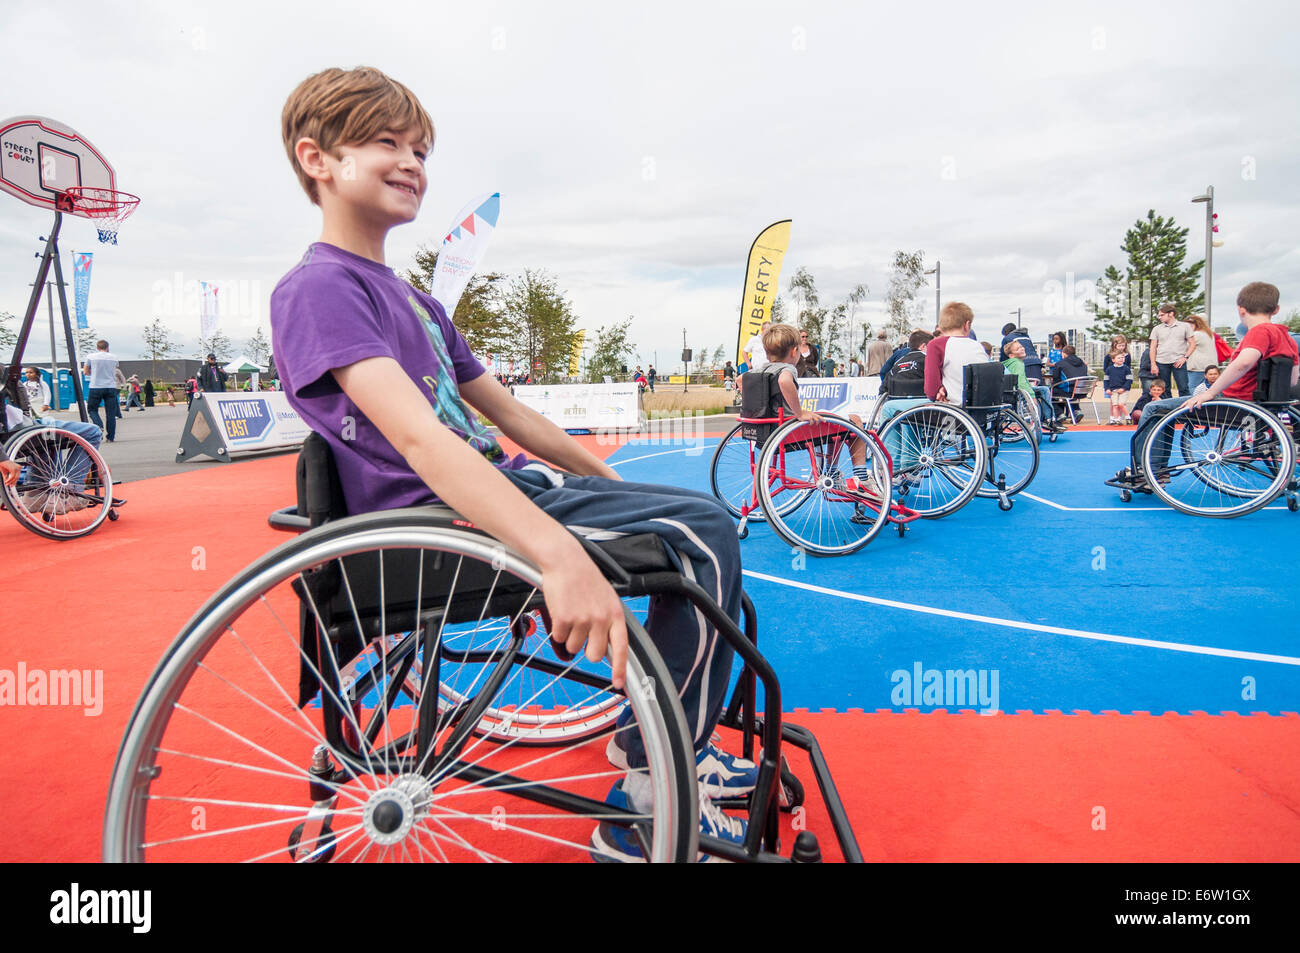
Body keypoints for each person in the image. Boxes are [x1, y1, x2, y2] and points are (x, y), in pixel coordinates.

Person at [271, 64, 751, 860]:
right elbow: (423, 441)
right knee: (701, 539)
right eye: (386, 143)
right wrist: (556, 552)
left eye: (421, 148)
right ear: (317, 159)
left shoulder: (417, 300)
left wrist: (611, 486)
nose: (412, 162)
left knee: (686, 518)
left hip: (495, 489)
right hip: (433, 521)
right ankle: (650, 784)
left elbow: (515, 415)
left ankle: (666, 745)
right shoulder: (317, 288)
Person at [1119, 282, 1299, 488]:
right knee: (1164, 408)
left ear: (1241, 309)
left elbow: (1244, 362)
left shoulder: (1260, 332)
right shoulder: (1288, 338)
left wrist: (1210, 393)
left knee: (1153, 408)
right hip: (1260, 407)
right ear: (1276, 309)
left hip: (1232, 406)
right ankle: (1154, 470)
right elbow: (1292, 380)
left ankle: (1146, 470)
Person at [929, 303, 992, 404]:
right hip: (983, 407)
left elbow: (931, 390)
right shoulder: (978, 346)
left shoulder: (936, 345)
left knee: (899, 413)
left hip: (955, 409)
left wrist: (938, 392)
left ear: (941, 327)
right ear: (967, 325)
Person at [1003, 340, 1060, 431]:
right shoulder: (1017, 363)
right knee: (1044, 390)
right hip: (1018, 391)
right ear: (1011, 355)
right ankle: (1050, 419)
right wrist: (1032, 397)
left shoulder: (1013, 363)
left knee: (1043, 389)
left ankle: (1048, 418)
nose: (1021, 349)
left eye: (1021, 347)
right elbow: (1021, 381)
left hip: (1012, 389)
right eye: (1017, 349)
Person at [1149, 303, 1195, 397]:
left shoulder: (1185, 326)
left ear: (1171, 314)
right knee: (1164, 389)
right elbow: (1153, 347)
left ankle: (1185, 411)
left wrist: (1185, 357)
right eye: (1159, 315)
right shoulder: (1157, 329)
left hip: (1179, 361)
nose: (1159, 317)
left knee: (1183, 388)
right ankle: (1167, 410)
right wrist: (1153, 364)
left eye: (1162, 315)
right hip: (1161, 362)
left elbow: (1192, 343)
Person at [82, 340, 119, 442]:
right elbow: (115, 369)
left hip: (95, 386)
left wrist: (92, 373)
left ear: (97, 347)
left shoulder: (91, 357)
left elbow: (85, 371)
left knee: (92, 409)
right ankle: (110, 437)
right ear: (107, 347)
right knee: (111, 413)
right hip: (111, 386)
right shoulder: (114, 357)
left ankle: (99, 425)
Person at [1103, 335, 1133, 424]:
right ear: (1114, 345)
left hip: (1123, 383)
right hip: (1112, 384)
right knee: (1113, 402)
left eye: (1123, 345)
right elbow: (1105, 369)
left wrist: (1125, 384)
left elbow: (1128, 368)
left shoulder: (1127, 356)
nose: (1121, 348)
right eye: (1119, 345)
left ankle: (1119, 418)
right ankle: (1113, 418)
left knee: (1121, 403)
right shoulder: (1109, 356)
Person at [1184, 314, 1216, 392]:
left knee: (1192, 388)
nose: (1189, 326)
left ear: (1197, 324)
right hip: (1208, 366)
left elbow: (1184, 347)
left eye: (1191, 324)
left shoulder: (1196, 335)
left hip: (1197, 367)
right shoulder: (1208, 334)